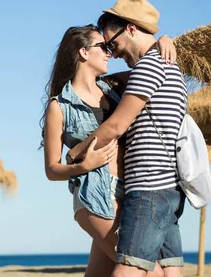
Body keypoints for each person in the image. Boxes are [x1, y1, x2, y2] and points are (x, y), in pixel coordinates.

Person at [66, 0, 188, 277]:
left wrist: (76, 152)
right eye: (106, 47)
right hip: (168, 188)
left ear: (131, 28)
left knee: (127, 270)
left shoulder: (148, 67)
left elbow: (116, 127)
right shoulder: (166, 64)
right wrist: (163, 40)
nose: (113, 52)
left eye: (114, 43)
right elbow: (112, 80)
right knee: (169, 271)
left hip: (148, 188)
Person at [42, 24, 176, 277]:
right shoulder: (59, 107)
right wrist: (82, 166)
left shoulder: (114, 88)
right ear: (83, 52)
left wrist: (164, 41)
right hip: (95, 197)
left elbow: (148, 64)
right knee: (150, 272)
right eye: (103, 47)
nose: (110, 53)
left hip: (129, 193)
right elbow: (51, 169)